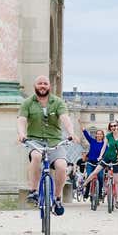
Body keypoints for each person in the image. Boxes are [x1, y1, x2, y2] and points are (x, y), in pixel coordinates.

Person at [17, 75, 79, 216]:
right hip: (35, 141)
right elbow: (21, 119)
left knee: (62, 166)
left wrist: (71, 132)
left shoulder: (57, 102)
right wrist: (21, 133)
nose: (43, 86)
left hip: (55, 141)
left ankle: (57, 198)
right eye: (40, 83)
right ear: (35, 86)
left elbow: (65, 118)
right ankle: (33, 191)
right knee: (37, 156)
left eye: (45, 83)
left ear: (49, 86)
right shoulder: (27, 103)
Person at [81, 128, 108, 199]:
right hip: (90, 162)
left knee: (100, 177)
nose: (99, 135)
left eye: (100, 134)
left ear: (103, 135)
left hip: (99, 163)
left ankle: (99, 193)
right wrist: (83, 129)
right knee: (89, 176)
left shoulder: (105, 145)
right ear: (96, 135)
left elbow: (106, 154)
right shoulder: (92, 141)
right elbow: (87, 136)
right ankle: (87, 192)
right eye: (98, 134)